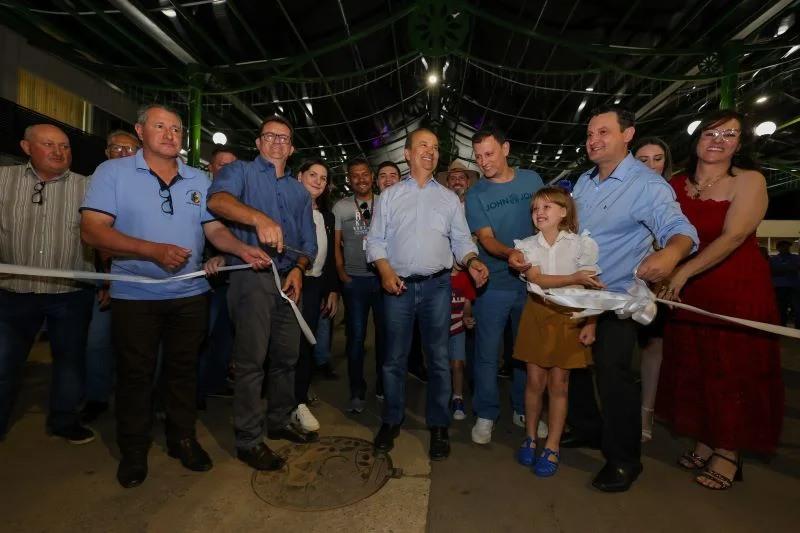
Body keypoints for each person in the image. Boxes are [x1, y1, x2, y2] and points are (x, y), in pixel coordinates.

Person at [80, 104, 270, 488]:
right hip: (136, 293)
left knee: (183, 372)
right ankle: (134, 451)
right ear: (140, 130)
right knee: (136, 375)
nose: (170, 134)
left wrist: (240, 249)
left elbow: (214, 231)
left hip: (190, 292)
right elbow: (93, 231)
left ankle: (182, 438)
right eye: (160, 126)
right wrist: (151, 250)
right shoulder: (112, 173)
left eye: (177, 129)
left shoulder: (198, 179)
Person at [567, 105, 698, 492]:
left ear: (628, 136)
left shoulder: (646, 184)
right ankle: (589, 429)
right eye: (590, 134)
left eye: (603, 132)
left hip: (618, 300)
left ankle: (624, 459)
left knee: (614, 376)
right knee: (574, 367)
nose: (594, 140)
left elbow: (679, 228)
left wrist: (671, 254)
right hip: (578, 294)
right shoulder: (585, 181)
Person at [657, 110, 784, 491]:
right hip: (688, 294)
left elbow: (732, 237)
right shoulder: (676, 184)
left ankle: (729, 450)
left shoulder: (749, 181)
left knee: (731, 370)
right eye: (711, 132)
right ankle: (705, 437)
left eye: (729, 135)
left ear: (740, 144)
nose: (718, 140)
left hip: (735, 288)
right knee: (694, 365)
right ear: (696, 139)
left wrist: (680, 272)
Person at [366, 128, 489, 460]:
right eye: (423, 145)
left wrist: (473, 260)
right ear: (407, 154)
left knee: (438, 359)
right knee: (393, 359)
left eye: (435, 147)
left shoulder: (448, 199)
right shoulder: (390, 196)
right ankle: (391, 420)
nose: (430, 151)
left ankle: (438, 425)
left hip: (437, 286)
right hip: (397, 286)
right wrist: (386, 271)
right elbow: (375, 241)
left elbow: (462, 240)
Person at [206, 115, 319, 472]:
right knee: (252, 360)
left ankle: (280, 419)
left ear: (292, 147)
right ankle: (248, 439)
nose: (276, 142)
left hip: (287, 280)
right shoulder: (240, 172)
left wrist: (300, 269)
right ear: (258, 143)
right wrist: (258, 219)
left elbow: (307, 244)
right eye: (269, 136)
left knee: (287, 356)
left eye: (283, 138)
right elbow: (217, 202)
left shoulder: (300, 192)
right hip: (251, 275)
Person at [0, 124, 95, 444]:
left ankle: (64, 420)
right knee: (3, 361)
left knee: (70, 361)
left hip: (69, 295)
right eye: (49, 145)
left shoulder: (89, 187)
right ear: (26, 147)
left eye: (65, 146)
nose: (59, 152)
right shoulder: (3, 180)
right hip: (12, 291)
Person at [512, 187, 602, 477]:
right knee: (535, 381)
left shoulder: (582, 245)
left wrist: (591, 322)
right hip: (537, 312)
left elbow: (593, 289)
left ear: (564, 211)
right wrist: (575, 277)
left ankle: (552, 446)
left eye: (548, 207)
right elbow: (537, 279)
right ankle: (530, 437)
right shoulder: (526, 246)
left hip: (570, 315)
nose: (540, 212)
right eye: (535, 208)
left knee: (559, 384)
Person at [465, 127, 545, 445]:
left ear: (506, 148)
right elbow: (485, 238)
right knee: (486, 353)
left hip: (531, 283)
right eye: (478, 156)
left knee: (525, 351)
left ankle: (523, 408)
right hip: (495, 283)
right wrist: (510, 252)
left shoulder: (532, 180)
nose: (483, 162)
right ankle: (486, 413)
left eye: (489, 153)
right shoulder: (476, 194)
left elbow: (548, 221)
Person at [82, 130, 142, 423]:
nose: (122, 153)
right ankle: (96, 396)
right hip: (107, 279)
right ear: (106, 152)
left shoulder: (148, 185)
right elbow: (94, 237)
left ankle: (143, 400)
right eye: (116, 148)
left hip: (142, 280)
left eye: (129, 148)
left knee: (139, 346)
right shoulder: (99, 183)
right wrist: (106, 281)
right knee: (98, 342)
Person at [333, 158, 385, 413]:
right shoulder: (341, 207)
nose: (361, 179)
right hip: (355, 282)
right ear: (349, 179)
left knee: (385, 337)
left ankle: (383, 386)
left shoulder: (384, 202)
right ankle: (357, 389)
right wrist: (342, 273)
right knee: (355, 337)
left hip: (381, 279)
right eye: (355, 175)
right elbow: (335, 244)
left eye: (365, 174)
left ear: (372, 176)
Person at [631, 137, 674, 443]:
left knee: (652, 350)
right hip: (623, 287)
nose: (651, 166)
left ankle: (647, 412)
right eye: (643, 160)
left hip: (659, 289)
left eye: (657, 159)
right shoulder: (623, 196)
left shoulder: (671, 199)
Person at [294, 159, 339, 432]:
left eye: (323, 178)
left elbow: (331, 257)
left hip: (315, 284)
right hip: (290, 283)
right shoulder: (286, 209)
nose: (318, 181)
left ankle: (299, 397)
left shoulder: (328, 216)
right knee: (287, 345)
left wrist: (332, 289)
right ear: (299, 176)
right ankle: (289, 400)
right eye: (312, 174)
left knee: (307, 343)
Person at [197, 146, 238, 407]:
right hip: (202, 282)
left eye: (233, 165)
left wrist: (229, 258)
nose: (227, 169)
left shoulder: (242, 201)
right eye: (222, 164)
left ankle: (214, 382)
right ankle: (195, 391)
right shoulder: (200, 196)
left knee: (225, 337)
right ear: (211, 168)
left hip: (232, 281)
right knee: (201, 337)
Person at [770, 240, 799, 327]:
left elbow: (796, 267)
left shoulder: (796, 257)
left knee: (796, 308)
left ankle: (797, 328)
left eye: (787, 246)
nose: (786, 248)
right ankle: (782, 327)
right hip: (779, 287)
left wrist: (783, 268)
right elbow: (773, 270)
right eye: (783, 246)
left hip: (794, 286)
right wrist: (790, 268)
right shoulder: (773, 259)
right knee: (781, 309)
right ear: (778, 248)